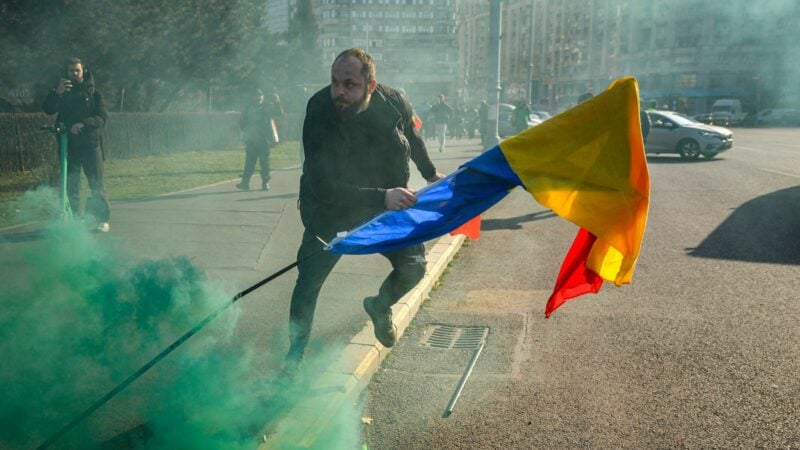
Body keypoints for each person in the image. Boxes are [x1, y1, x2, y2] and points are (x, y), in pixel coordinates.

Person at [286, 48, 445, 375]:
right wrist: (383, 197)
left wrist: (430, 174)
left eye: (349, 84)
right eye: (334, 82)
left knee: (413, 267)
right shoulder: (318, 109)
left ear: (371, 86)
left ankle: (379, 305)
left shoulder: (395, 100)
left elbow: (413, 139)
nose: (339, 93)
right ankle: (293, 359)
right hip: (331, 209)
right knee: (308, 283)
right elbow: (321, 184)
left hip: (384, 206)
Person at [42, 57, 110, 232]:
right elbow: (48, 108)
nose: (74, 74)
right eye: (70, 70)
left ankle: (101, 220)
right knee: (71, 185)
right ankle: (75, 219)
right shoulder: (61, 91)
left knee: (96, 183)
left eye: (77, 70)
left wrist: (84, 123)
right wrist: (57, 92)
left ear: (83, 71)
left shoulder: (94, 93)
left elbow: (102, 117)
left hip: (90, 144)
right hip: (68, 146)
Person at [237, 89, 283, 191]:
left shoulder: (267, 107)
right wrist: (243, 125)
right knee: (249, 163)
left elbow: (279, 113)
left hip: (264, 140)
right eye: (256, 95)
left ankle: (265, 183)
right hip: (251, 140)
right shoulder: (248, 108)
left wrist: (277, 102)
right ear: (252, 97)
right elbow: (242, 123)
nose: (258, 97)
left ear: (263, 97)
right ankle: (245, 183)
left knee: (264, 163)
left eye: (260, 95)